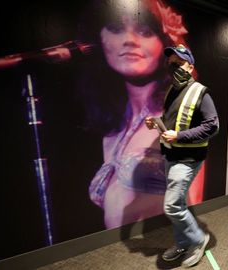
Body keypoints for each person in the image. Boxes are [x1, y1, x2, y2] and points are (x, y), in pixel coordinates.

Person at [84, 0, 204, 229]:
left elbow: (192, 204)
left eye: (145, 31)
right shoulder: (114, 130)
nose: (129, 40)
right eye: (116, 28)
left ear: (167, 45)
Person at [145, 44, 219, 267]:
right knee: (177, 204)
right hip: (171, 156)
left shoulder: (200, 92)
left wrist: (179, 136)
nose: (174, 67)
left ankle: (198, 239)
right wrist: (156, 122)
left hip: (187, 160)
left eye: (179, 63)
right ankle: (182, 242)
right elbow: (174, 120)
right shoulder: (173, 90)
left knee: (171, 206)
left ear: (190, 66)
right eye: (171, 64)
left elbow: (212, 126)